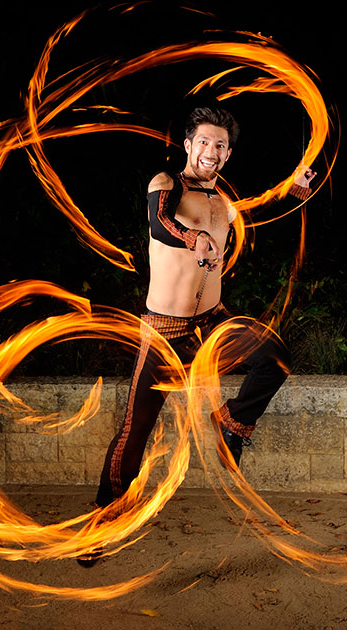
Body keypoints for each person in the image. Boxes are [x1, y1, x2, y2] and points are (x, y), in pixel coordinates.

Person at [79, 106, 316, 566]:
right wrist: (195, 239)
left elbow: (260, 208)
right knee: (134, 434)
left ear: (229, 153)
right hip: (166, 330)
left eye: (221, 145)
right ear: (188, 145)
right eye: (204, 142)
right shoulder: (165, 184)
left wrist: (294, 190)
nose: (213, 151)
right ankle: (100, 526)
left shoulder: (223, 200)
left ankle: (231, 424)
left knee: (275, 355)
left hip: (212, 323)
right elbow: (160, 223)